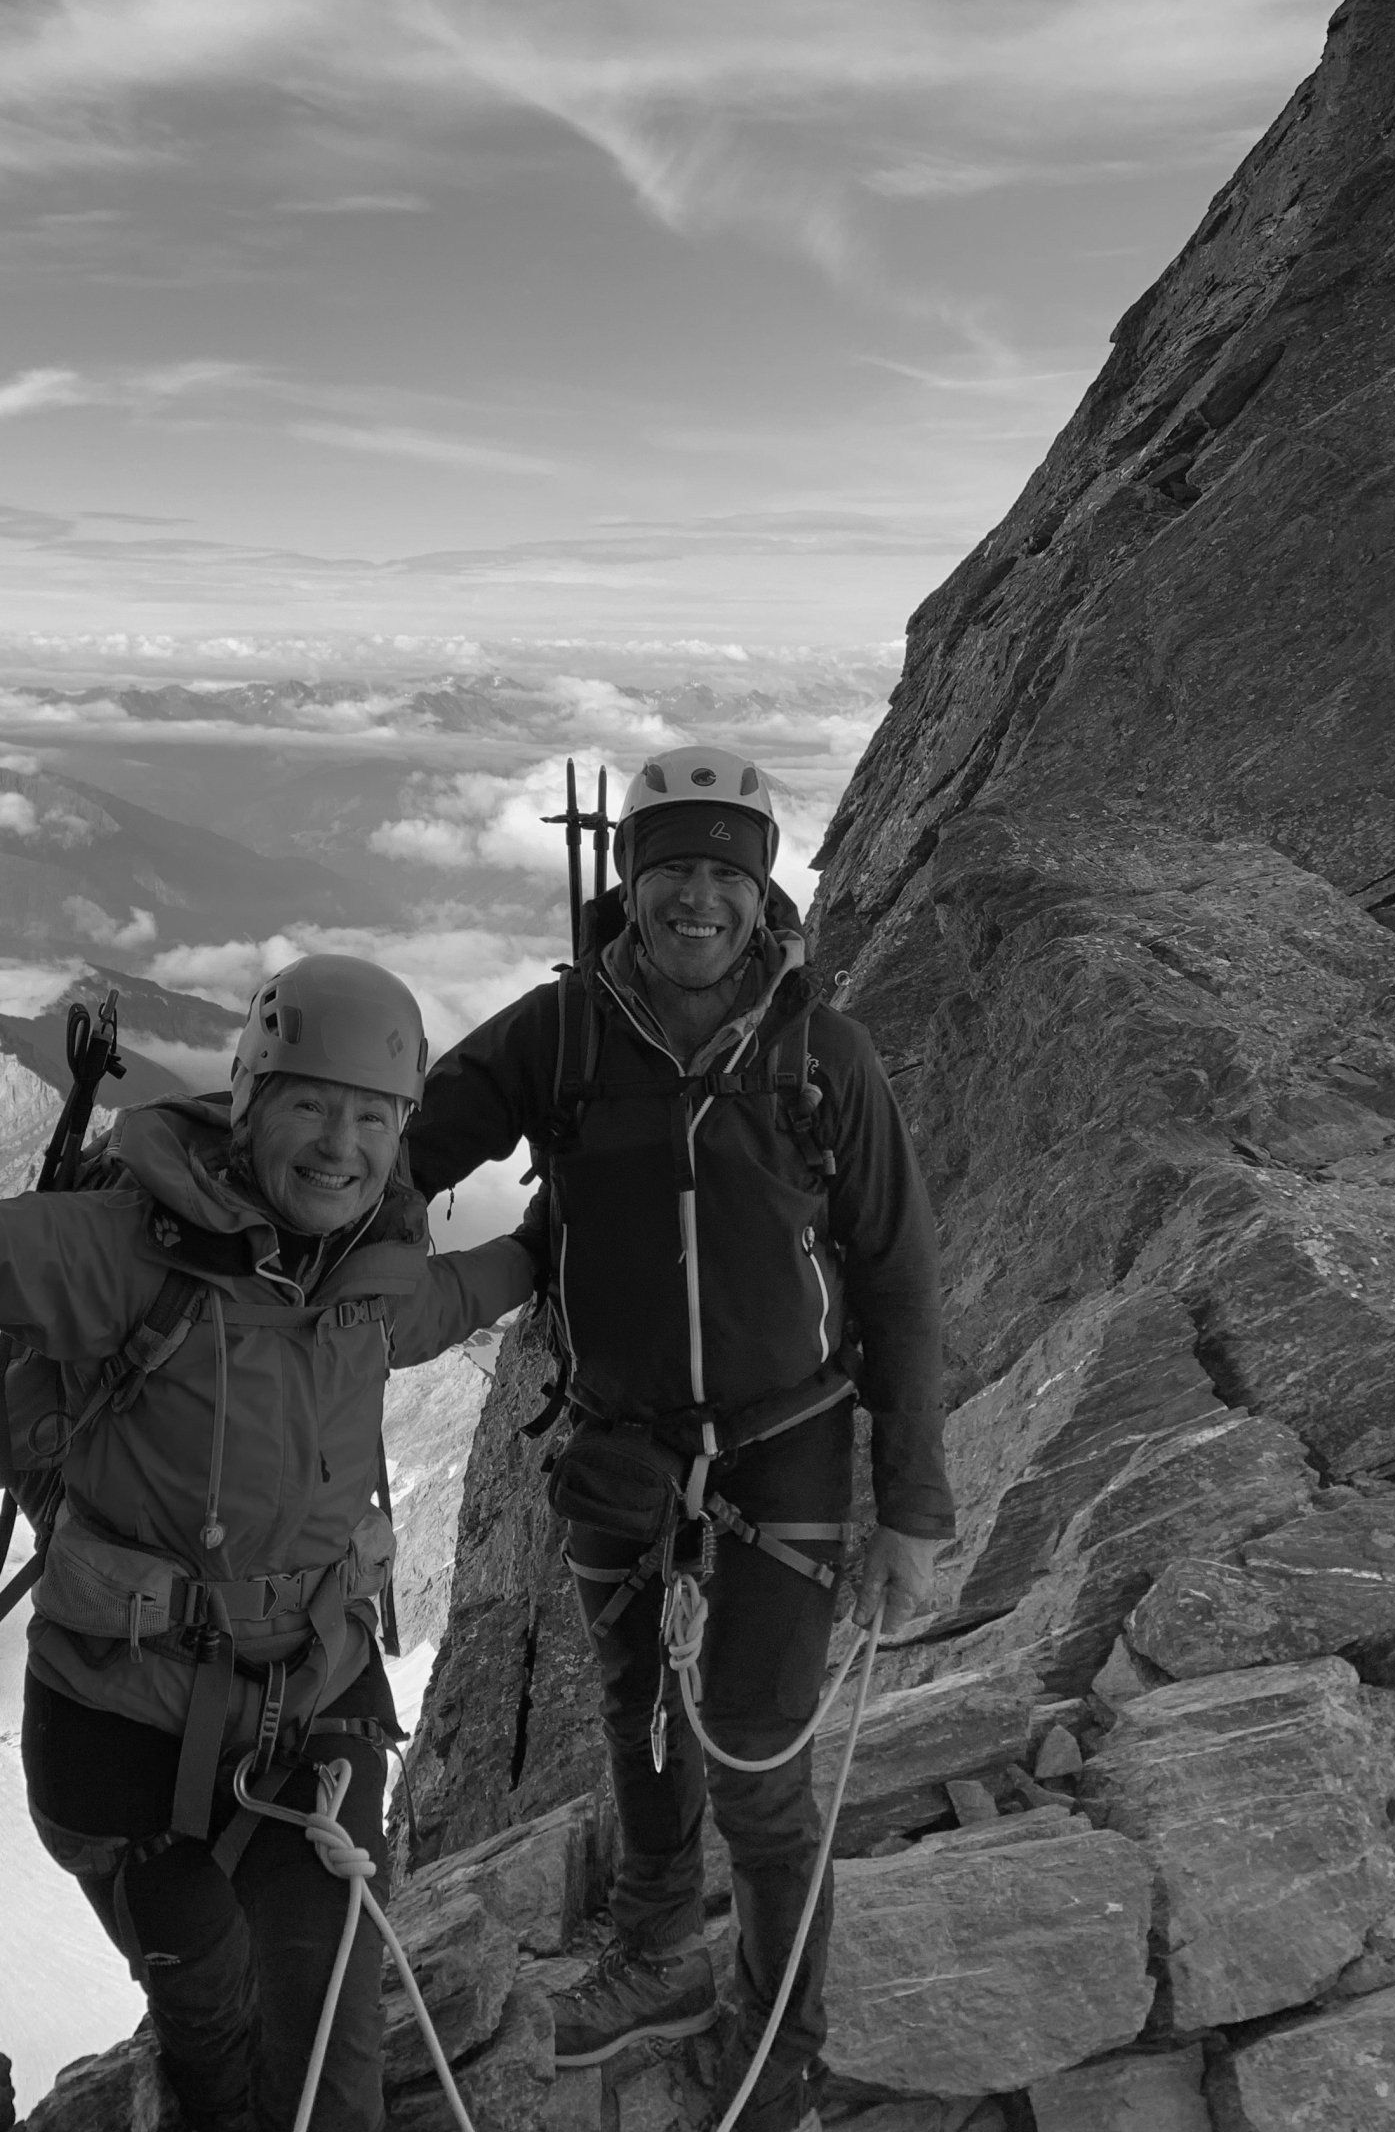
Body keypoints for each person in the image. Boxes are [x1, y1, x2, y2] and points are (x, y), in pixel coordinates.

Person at [0, 953, 538, 2132]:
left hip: (311, 1719)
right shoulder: (128, 1253)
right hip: (121, 1732)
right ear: (250, 1101)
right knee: (213, 2019)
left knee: (333, 2053)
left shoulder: (372, 1281)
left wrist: (555, 1243)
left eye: (373, 1116)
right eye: (312, 1103)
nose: (340, 1143)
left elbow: (455, 1300)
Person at [405, 750, 954, 2132]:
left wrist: (913, 1510)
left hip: (791, 1449)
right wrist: (270, 1203)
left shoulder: (824, 1052)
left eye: (724, 870)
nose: (697, 898)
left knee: (761, 1766)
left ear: (759, 884)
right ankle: (655, 1956)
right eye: (671, 870)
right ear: (630, 885)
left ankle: (782, 2046)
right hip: (621, 1453)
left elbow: (895, 1274)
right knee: (641, 1722)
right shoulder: (565, 1035)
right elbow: (401, 1146)